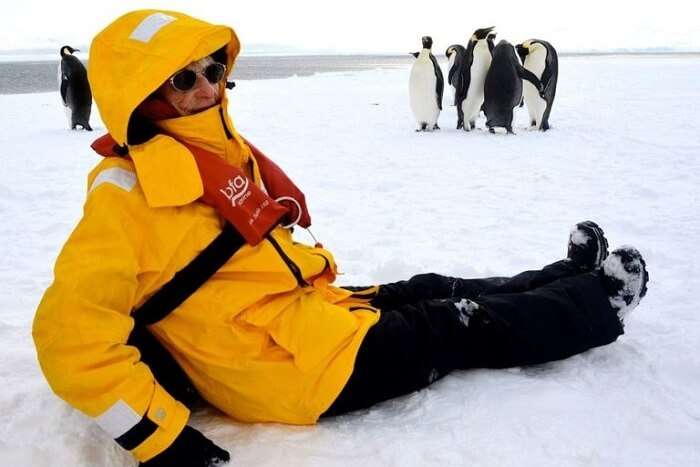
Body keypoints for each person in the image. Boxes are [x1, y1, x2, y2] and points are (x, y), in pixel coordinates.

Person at [32, 10, 649, 467]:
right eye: (180, 80)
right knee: (450, 324)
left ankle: (567, 278)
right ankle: (596, 305)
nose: (205, 88)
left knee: (429, 288)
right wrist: (158, 439)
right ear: (141, 98)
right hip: (291, 368)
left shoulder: (205, 147)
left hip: (303, 314)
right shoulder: (125, 197)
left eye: (212, 69)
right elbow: (69, 341)